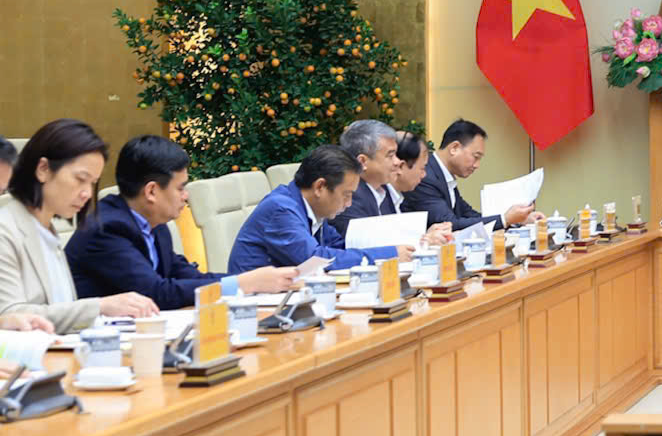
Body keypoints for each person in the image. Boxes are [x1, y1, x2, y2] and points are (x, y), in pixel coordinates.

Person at [65, 135, 299, 307]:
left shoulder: (154, 224)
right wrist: (243, 284)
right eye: (180, 188)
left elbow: (188, 276)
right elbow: (156, 292)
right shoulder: (107, 228)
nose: (186, 196)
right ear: (151, 191)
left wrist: (253, 281)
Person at [0, 120, 158, 329]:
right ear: (43, 169)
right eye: (80, 179)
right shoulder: (6, 229)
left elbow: (61, 310)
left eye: (92, 183)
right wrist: (100, 306)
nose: (87, 193)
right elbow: (10, 315)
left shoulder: (48, 231)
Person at [228, 144, 413, 273]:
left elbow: (341, 247)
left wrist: (401, 246)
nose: (348, 203)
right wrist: (389, 255)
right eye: (346, 194)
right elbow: (316, 259)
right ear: (320, 187)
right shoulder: (281, 209)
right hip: (254, 305)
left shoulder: (311, 209)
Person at [328, 119, 448, 245]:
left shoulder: (381, 191)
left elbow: (392, 238)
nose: (397, 162)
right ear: (363, 162)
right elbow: (363, 246)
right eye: (390, 156)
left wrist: (424, 237)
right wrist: (421, 241)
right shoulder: (350, 197)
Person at [405, 119, 537, 231]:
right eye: (476, 157)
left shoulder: (444, 175)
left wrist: (517, 220)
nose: (477, 165)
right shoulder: (425, 176)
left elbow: (468, 215)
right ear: (454, 148)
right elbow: (449, 224)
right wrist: (505, 219)